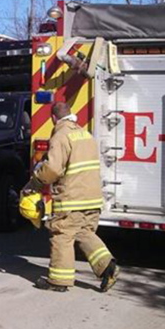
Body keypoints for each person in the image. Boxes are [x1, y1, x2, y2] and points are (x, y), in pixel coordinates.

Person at [29, 102, 118, 293]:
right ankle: (107, 267)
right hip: (92, 198)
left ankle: (59, 281)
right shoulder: (85, 135)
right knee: (84, 232)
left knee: (62, 234)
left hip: (72, 198)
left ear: (53, 118)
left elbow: (53, 169)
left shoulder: (61, 136)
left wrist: (36, 182)